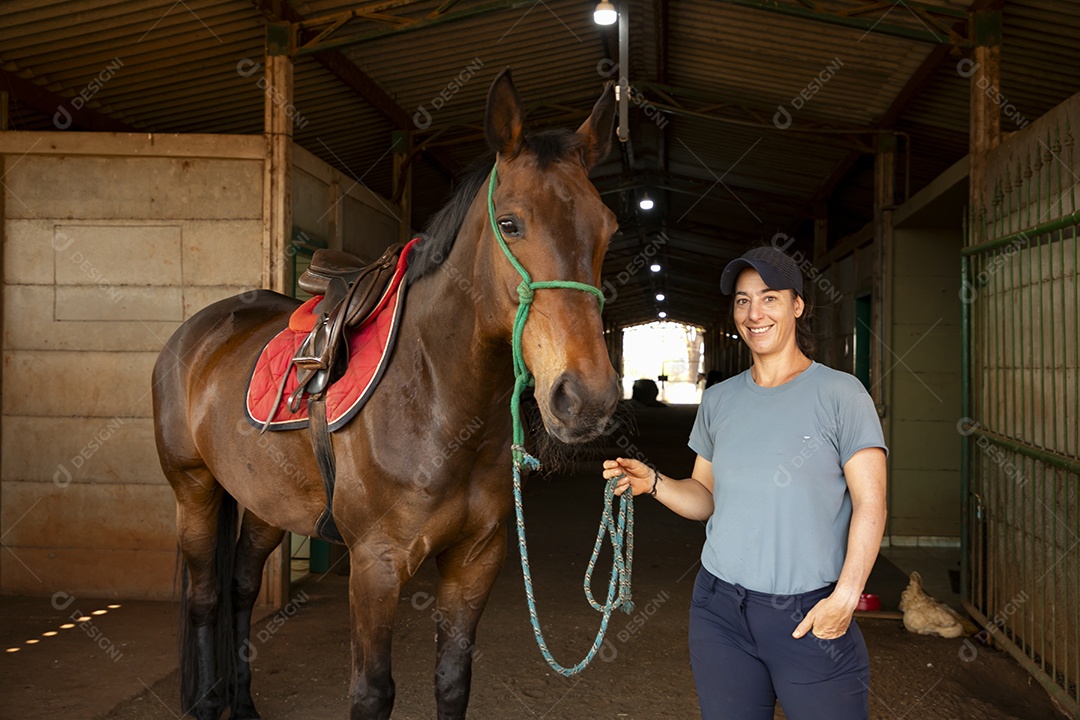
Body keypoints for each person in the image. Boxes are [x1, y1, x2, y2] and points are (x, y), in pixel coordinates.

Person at [603, 246, 887, 720]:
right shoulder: (719, 400)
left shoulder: (841, 394)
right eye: (742, 300)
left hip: (809, 613)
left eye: (769, 298)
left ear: (797, 305)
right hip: (719, 610)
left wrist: (845, 597)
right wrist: (653, 482)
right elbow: (705, 499)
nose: (754, 314)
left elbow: (871, 504)